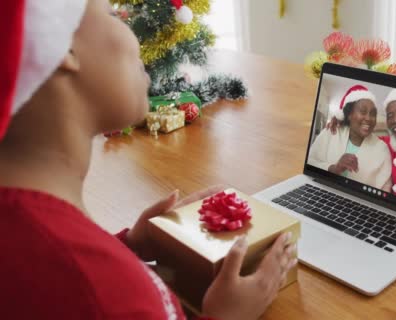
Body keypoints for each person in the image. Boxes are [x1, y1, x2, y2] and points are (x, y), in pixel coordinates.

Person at [0, 1, 296, 319]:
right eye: (111, 13)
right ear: (62, 47)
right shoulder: (108, 291)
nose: (131, 28)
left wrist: (126, 247)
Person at [308, 85, 392, 190]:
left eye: (373, 114)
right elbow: (310, 161)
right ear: (349, 114)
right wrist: (334, 168)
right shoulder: (332, 132)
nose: (368, 118)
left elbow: (385, 189)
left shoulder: (382, 149)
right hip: (322, 191)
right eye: (362, 111)